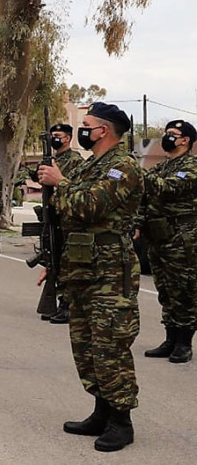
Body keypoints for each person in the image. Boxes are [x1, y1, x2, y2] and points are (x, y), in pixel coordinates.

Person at [38, 102, 143, 452]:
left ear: (103, 130)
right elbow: (66, 215)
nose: (81, 129)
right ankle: (101, 410)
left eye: (86, 124)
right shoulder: (92, 166)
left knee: (110, 345)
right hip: (81, 267)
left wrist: (60, 182)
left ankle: (121, 421)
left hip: (111, 270)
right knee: (85, 347)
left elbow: (88, 206)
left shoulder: (122, 167)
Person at [137, 119, 197, 364]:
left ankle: (184, 342)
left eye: (173, 134)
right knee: (165, 290)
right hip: (159, 237)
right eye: (167, 133)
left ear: (186, 140)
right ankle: (170, 338)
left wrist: (137, 172)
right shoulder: (162, 167)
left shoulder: (191, 166)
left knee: (184, 290)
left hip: (182, 238)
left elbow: (167, 188)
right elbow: (144, 196)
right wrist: (138, 223)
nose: (167, 137)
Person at [36, 123, 85, 324]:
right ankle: (57, 299)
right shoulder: (51, 160)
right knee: (52, 256)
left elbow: (72, 187)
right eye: (52, 135)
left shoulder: (75, 160)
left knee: (65, 259)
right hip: (51, 215)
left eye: (58, 135)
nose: (54, 138)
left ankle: (67, 303)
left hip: (66, 215)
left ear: (68, 138)